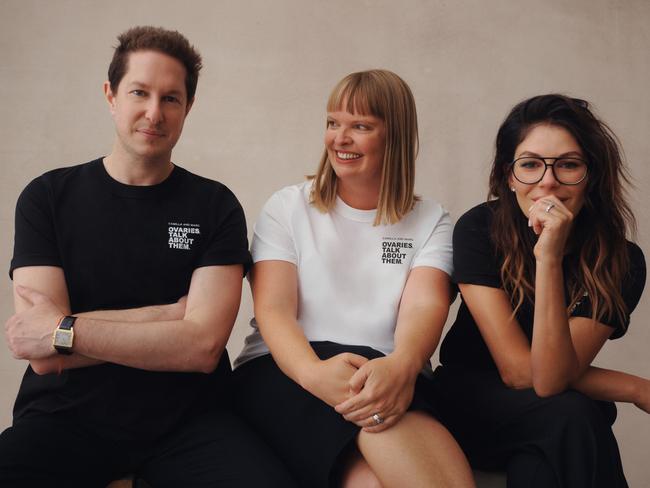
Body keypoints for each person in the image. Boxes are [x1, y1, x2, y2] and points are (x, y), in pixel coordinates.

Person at [1, 26, 295, 488]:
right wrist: (167, 316)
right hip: (67, 417)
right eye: (139, 92)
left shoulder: (214, 205)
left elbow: (200, 348)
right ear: (111, 95)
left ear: (188, 108)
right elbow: (42, 354)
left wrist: (68, 330)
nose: (154, 113)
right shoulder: (47, 198)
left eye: (171, 98)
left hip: (189, 421)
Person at [233, 69, 475, 488]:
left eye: (360, 126)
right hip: (287, 369)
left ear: (394, 135)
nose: (339, 139)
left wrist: (402, 365)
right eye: (333, 123)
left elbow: (424, 306)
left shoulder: (431, 219)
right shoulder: (287, 207)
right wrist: (314, 375)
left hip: (386, 370)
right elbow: (273, 308)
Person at [430, 94, 648, 488]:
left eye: (568, 165)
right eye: (530, 165)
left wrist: (548, 257)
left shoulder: (621, 260)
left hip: (554, 415)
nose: (548, 180)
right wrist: (635, 388)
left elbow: (551, 377)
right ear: (508, 175)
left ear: (591, 175)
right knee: (575, 415)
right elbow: (519, 373)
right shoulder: (479, 228)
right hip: (471, 402)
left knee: (553, 445)